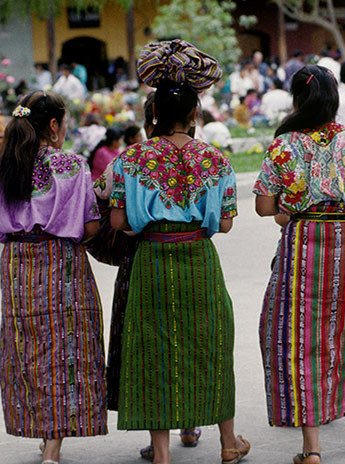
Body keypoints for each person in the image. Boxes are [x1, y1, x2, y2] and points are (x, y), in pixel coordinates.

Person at [109, 39, 249, 464]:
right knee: (211, 343)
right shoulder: (216, 160)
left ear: (153, 114)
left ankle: (163, 452)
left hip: (152, 260)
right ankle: (227, 442)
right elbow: (224, 223)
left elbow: (119, 223)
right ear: (194, 114)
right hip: (199, 261)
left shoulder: (131, 159)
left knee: (153, 348)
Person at [254, 65, 345, 464]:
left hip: (302, 247)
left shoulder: (283, 146)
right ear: (336, 101)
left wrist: (301, 202)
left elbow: (264, 207)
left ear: (298, 101)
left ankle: (311, 448)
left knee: (300, 340)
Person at [0, 90, 106, 463]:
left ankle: (42, 433)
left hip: (17, 264)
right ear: (53, 125)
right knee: (65, 348)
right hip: (60, 262)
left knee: (26, 347)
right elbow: (91, 226)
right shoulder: (70, 165)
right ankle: (53, 445)